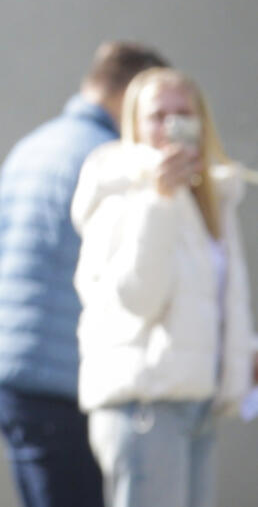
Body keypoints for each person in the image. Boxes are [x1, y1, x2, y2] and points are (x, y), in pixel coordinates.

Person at [0, 42, 167, 507]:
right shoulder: (112, 161)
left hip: (6, 373)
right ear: (129, 95)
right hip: (64, 381)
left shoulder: (32, 146)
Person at [72, 68, 258, 507]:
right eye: (157, 115)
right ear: (135, 123)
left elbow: (213, 298)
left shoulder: (211, 194)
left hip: (197, 403)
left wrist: (242, 350)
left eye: (182, 113)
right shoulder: (119, 190)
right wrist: (159, 200)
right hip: (144, 406)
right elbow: (138, 297)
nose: (170, 126)